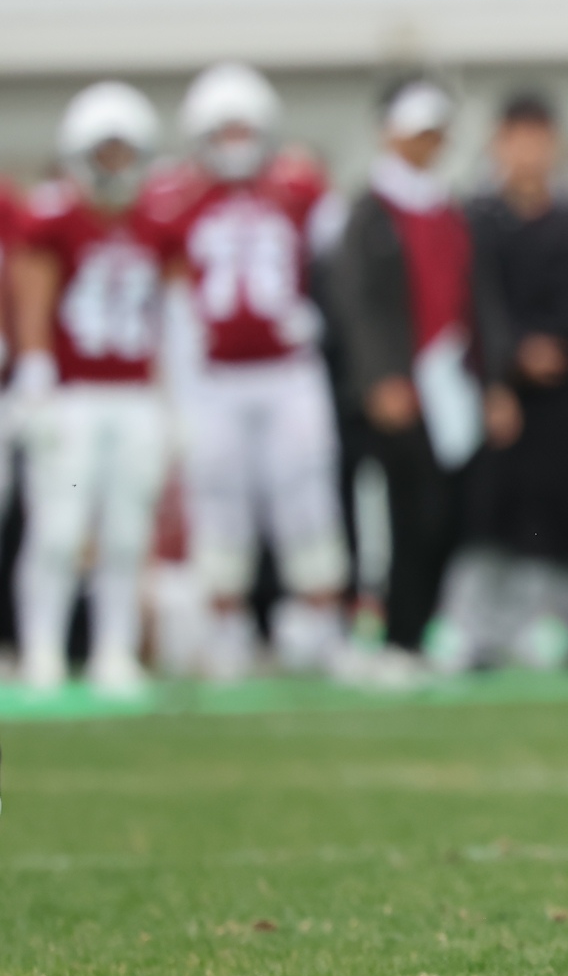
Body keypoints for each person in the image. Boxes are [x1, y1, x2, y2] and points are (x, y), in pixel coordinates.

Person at [148, 63, 351, 680]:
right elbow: (165, 289)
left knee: (306, 494)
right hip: (213, 378)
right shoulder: (173, 197)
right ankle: (226, 629)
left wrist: (319, 316)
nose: (236, 143)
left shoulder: (300, 187)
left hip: (289, 371)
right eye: (224, 130)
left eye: (244, 129)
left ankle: (320, 623)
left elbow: (339, 267)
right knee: (219, 500)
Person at [8, 83, 172, 693]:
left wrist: (172, 399)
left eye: (123, 153)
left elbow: (170, 317)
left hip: (132, 398)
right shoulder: (53, 222)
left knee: (126, 534)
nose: (115, 167)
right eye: (104, 153)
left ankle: (114, 650)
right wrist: (35, 374)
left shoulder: (155, 225)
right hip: (75, 398)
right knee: (60, 528)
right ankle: (42, 648)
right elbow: (31, 299)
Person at [455, 90, 568, 666]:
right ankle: (484, 634)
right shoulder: (475, 220)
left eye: (538, 141)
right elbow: (473, 302)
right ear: (498, 144)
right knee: (493, 517)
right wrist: (507, 363)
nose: (527, 154)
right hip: (499, 394)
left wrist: (553, 346)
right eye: (516, 140)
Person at [321, 78, 475, 673]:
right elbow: (356, 303)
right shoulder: (368, 210)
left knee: (445, 514)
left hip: (448, 381)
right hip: (397, 385)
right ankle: (394, 636)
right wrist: (380, 376)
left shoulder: (447, 207)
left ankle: (421, 630)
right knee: (406, 516)